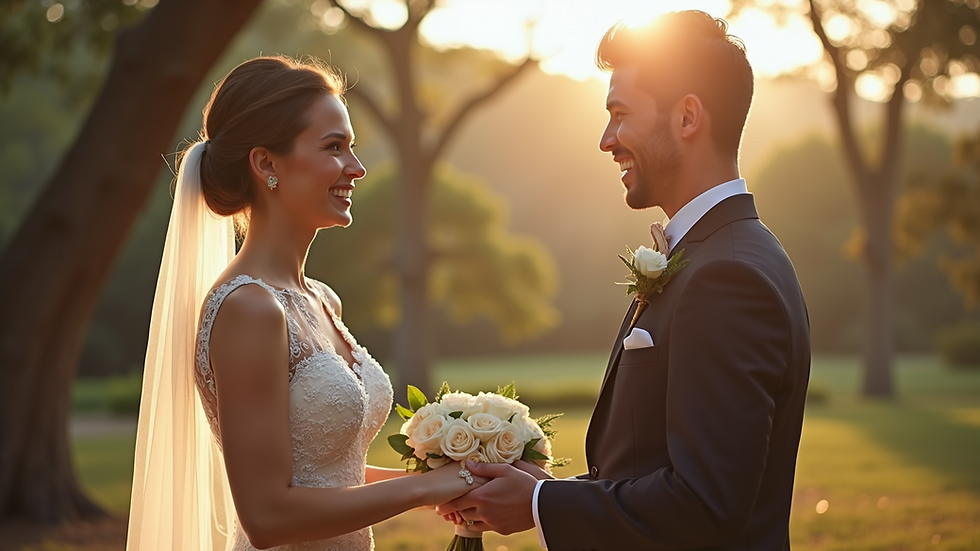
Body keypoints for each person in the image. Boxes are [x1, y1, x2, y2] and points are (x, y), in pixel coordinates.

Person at [438, 11, 811, 550]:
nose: (605, 140)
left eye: (619, 114)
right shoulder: (727, 252)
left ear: (687, 117)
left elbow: (706, 506)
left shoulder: (726, 276)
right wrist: (544, 493)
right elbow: (654, 467)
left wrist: (540, 505)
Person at [126, 56, 483, 551]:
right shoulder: (249, 308)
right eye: (334, 147)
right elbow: (268, 516)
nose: (356, 169)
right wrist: (425, 486)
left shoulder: (320, 299)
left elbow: (332, 477)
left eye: (351, 148)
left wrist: (458, 478)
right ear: (266, 163)